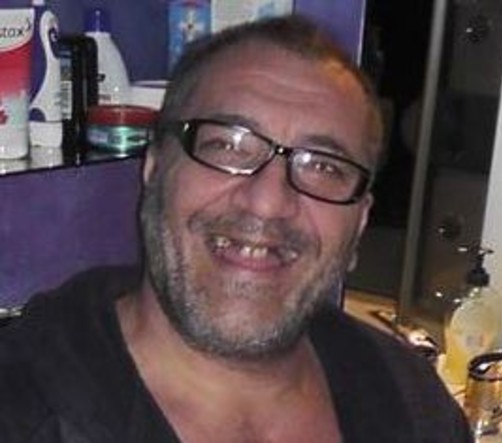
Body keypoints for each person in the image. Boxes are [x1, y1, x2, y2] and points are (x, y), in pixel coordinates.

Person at [0, 15, 473, 442]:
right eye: (228, 145)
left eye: (322, 166)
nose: (268, 202)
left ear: (360, 223)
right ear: (154, 169)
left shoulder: (415, 406)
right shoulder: (22, 408)